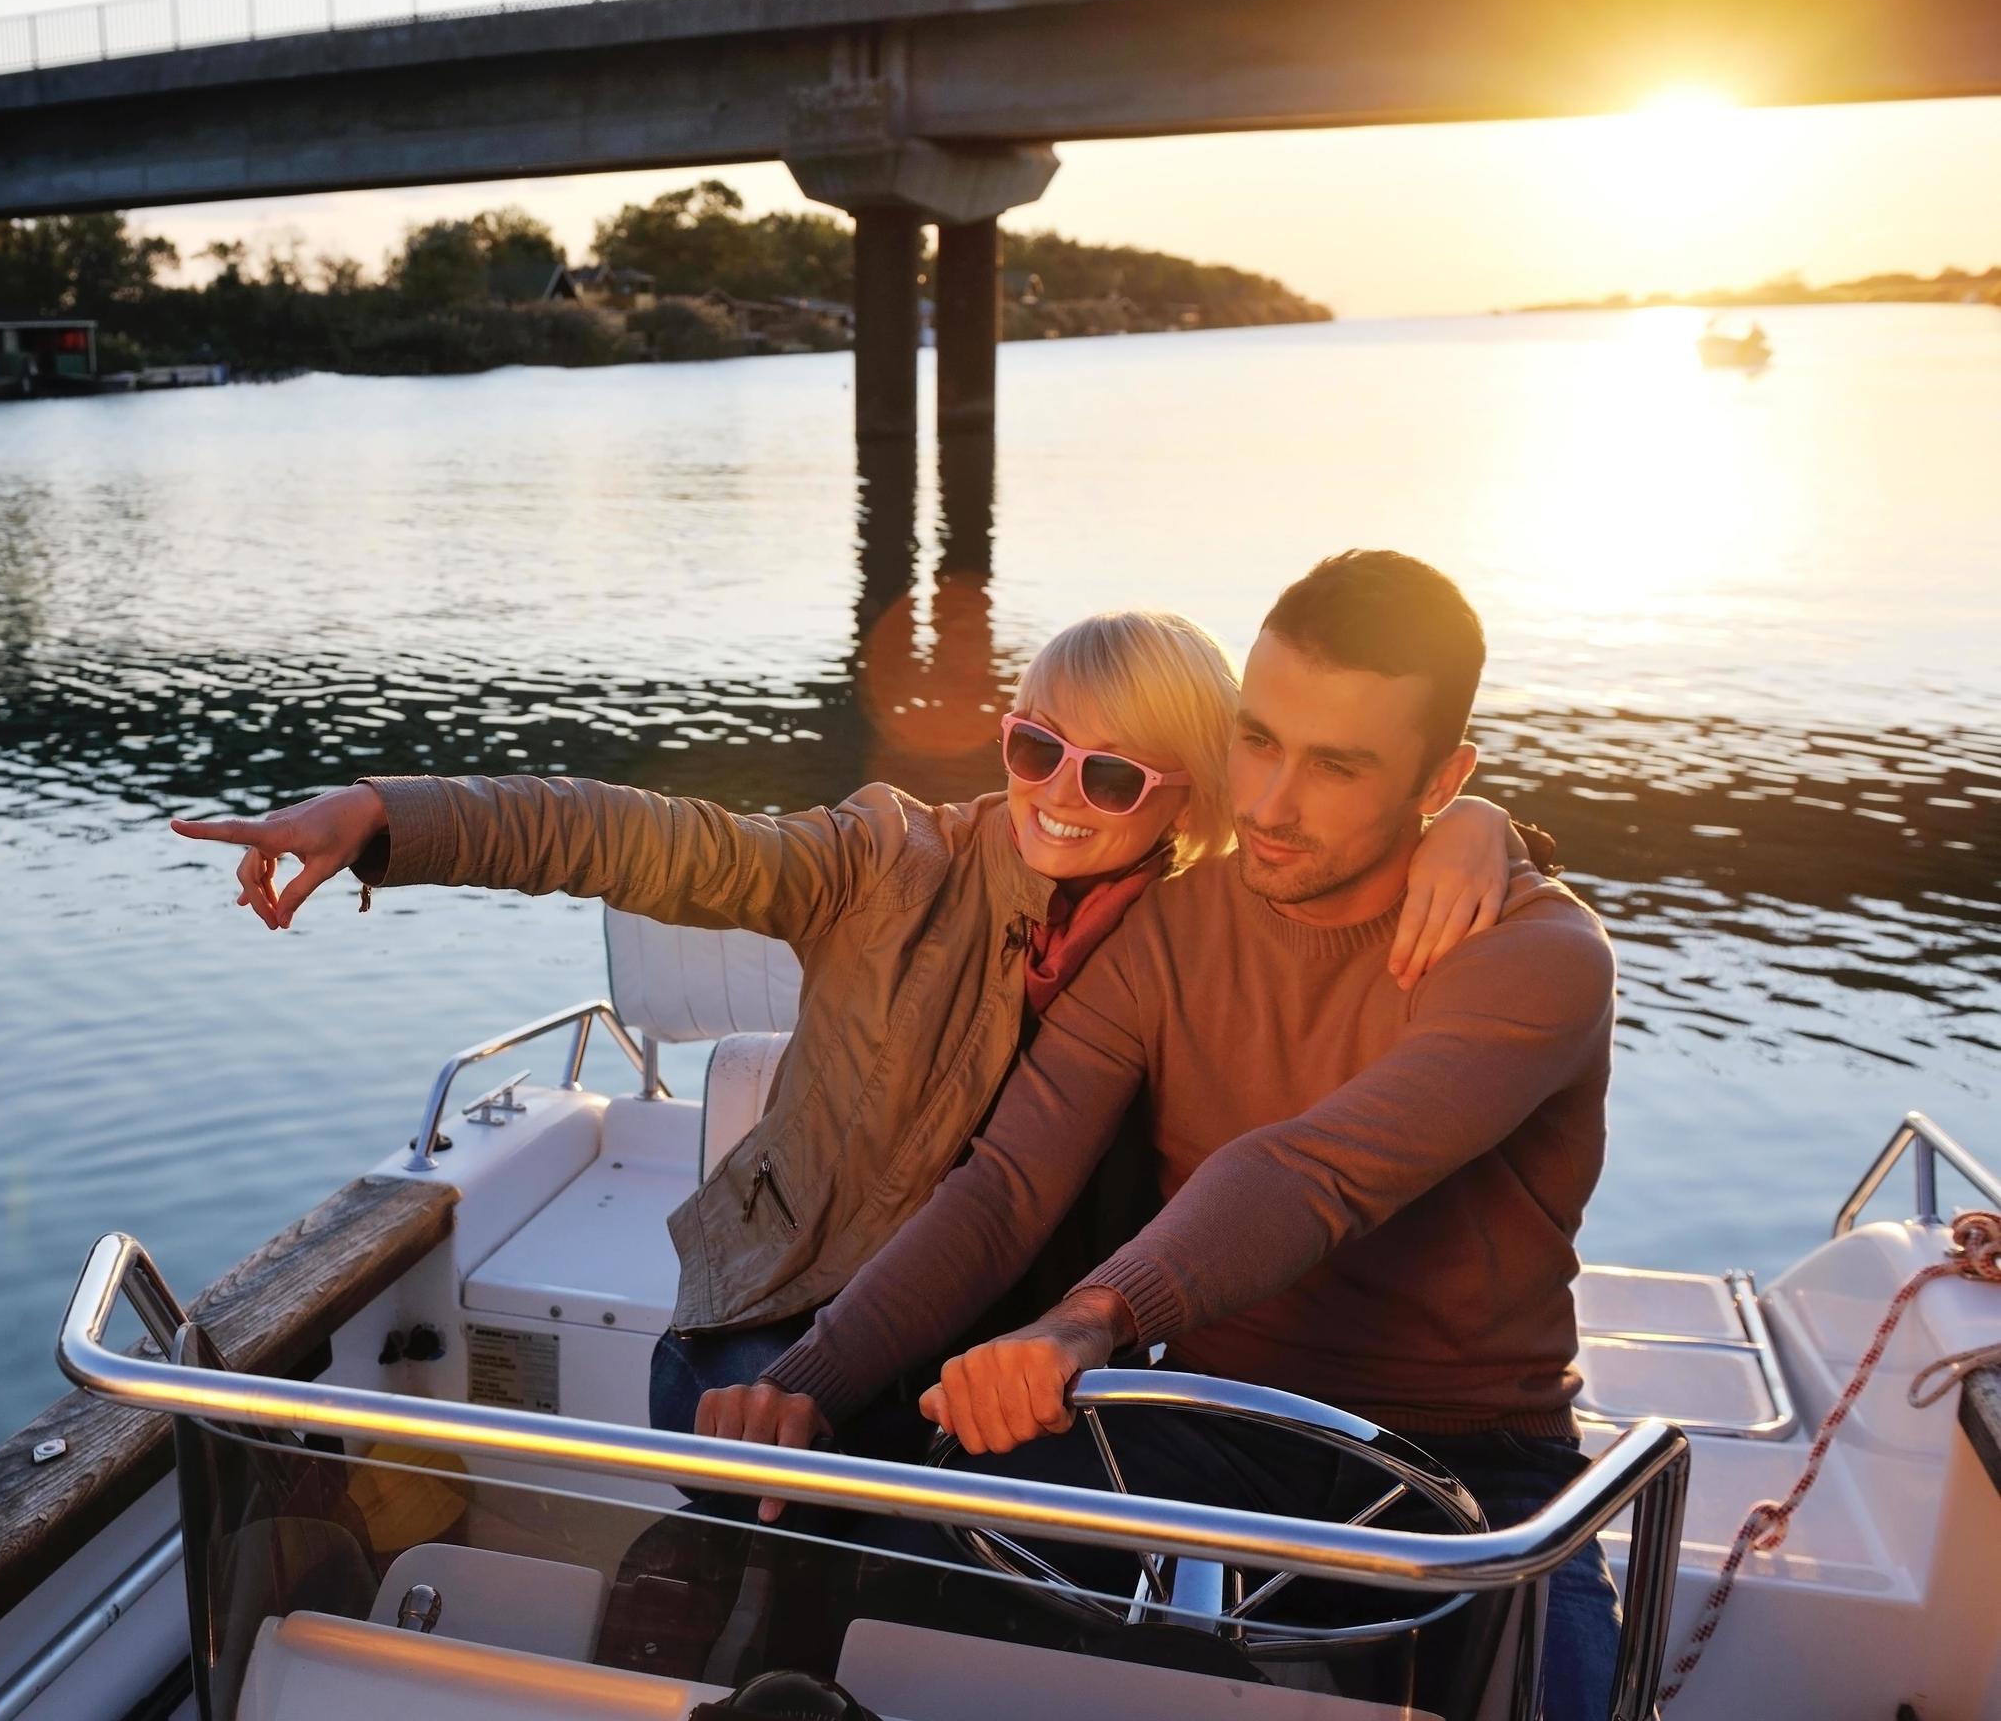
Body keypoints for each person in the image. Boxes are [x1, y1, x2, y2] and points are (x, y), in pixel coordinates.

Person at [700, 551, 1693, 1721]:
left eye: (1340, 765)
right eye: (1258, 741)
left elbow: (1315, 1171)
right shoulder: (1169, 927)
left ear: (1444, 779)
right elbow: (1003, 1188)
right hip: (1194, 1422)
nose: (1274, 803)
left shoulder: (1533, 954)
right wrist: (810, 1374)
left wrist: (1090, 1319)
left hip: (1473, 1461)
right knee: (881, 1612)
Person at [172, 609, 1542, 1451]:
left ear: (1191, 805)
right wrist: (386, 818)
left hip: (1015, 1354)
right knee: (759, 1571)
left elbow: (1349, 823)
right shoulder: (889, 861)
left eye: (1113, 773)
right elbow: (633, 837)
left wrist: (1478, 831)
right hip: (786, 1309)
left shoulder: (1209, 926)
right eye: (1033, 748)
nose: (1058, 795)